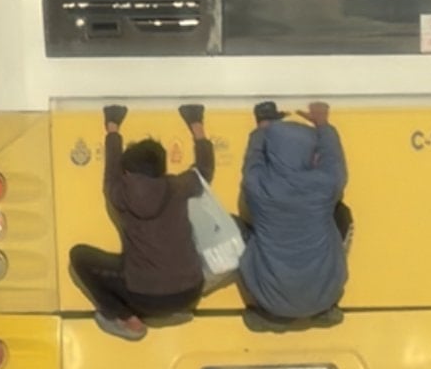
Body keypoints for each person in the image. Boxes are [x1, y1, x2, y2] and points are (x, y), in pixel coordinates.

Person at [69, 103, 215, 341]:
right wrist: (196, 124)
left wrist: (113, 128)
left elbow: (111, 171)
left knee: (79, 257)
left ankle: (127, 319)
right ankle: (174, 311)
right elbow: (204, 170)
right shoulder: (179, 186)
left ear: (127, 172)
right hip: (190, 292)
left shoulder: (120, 193)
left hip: (145, 298)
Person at [237, 101, 349, 323]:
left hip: (269, 299)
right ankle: (323, 310)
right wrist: (323, 124)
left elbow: (253, 160)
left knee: (238, 226)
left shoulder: (257, 185)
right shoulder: (325, 184)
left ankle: (266, 314)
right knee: (341, 214)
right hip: (324, 297)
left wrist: (263, 128)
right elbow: (334, 161)